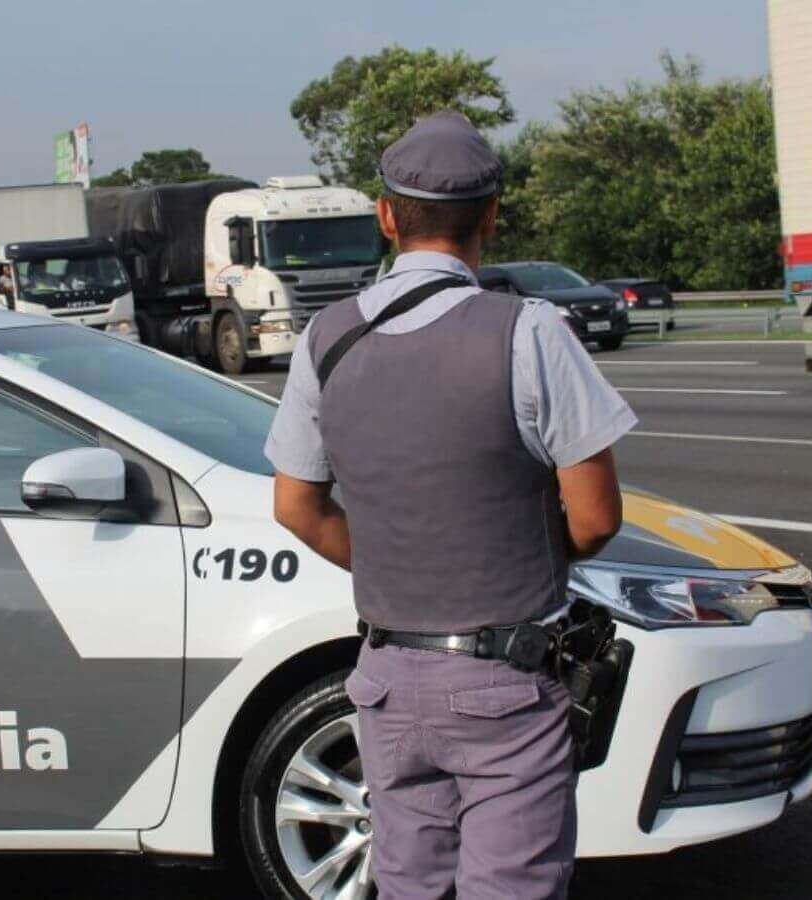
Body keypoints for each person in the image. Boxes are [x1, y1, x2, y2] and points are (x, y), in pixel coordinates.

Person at [264, 110, 635, 899]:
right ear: (492, 218)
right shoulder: (530, 331)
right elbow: (597, 517)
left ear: (387, 216)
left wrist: (403, 562)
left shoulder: (325, 337)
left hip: (386, 677)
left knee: (407, 884)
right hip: (506, 679)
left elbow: (297, 505)